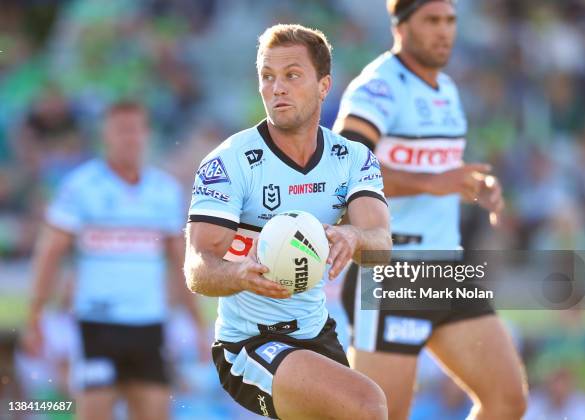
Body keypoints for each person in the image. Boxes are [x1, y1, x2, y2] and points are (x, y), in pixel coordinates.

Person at [184, 24, 391, 419]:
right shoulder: (229, 162)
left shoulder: (352, 158)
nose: (277, 87)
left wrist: (354, 235)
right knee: (367, 405)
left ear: (324, 85)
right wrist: (239, 274)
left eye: (292, 75)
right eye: (267, 76)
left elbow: (380, 245)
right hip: (248, 344)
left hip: (316, 334)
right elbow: (198, 269)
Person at [333, 1, 527, 419]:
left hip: (446, 266)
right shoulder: (379, 86)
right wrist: (432, 182)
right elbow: (342, 165)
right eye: (432, 21)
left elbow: (437, 172)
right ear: (400, 26)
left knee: (507, 400)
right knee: (380, 414)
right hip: (393, 270)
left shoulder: (448, 90)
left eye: (450, 21)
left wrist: (471, 186)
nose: (444, 31)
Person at [22, 101, 206, 420]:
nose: (129, 138)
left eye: (135, 130)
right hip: (97, 325)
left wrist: (198, 324)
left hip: (149, 326)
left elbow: (183, 264)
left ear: (147, 135)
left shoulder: (164, 192)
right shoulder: (81, 188)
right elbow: (49, 253)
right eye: (121, 130)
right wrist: (36, 314)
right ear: (105, 135)